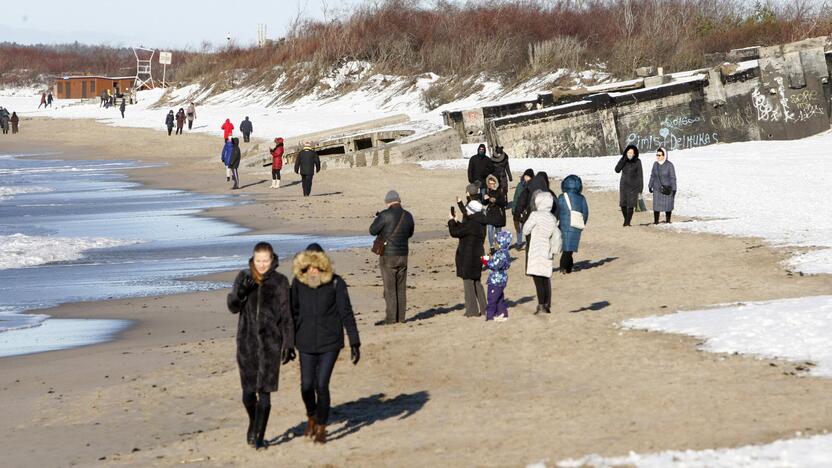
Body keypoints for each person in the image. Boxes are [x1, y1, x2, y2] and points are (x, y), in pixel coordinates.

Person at [227, 242, 295, 450]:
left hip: (270, 345)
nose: (262, 265)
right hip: (246, 344)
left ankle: (258, 436)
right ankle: (253, 422)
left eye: (266, 260)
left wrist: (289, 343)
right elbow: (232, 307)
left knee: (264, 393)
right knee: (248, 394)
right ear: (253, 260)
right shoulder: (243, 277)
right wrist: (241, 293)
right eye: (259, 261)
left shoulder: (281, 282)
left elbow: (286, 315)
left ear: (272, 259)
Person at [291, 243, 361, 444]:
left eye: (317, 264)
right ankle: (311, 415)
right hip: (305, 342)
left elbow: (345, 312)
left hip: (330, 342)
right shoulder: (298, 284)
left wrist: (354, 341)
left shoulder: (336, 283)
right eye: (309, 264)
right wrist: (288, 343)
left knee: (321, 384)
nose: (313, 269)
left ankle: (321, 426)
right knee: (306, 386)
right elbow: (291, 313)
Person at [369, 190, 415, 324]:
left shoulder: (384, 215)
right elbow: (410, 233)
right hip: (403, 254)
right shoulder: (408, 216)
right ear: (399, 201)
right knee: (401, 288)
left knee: (390, 289)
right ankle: (401, 318)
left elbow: (372, 231)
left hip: (388, 256)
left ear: (388, 202)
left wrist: (377, 218)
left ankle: (391, 319)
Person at [448, 200, 488, 317]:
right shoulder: (480, 222)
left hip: (468, 257)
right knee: (477, 282)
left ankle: (472, 311)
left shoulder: (472, 224)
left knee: (468, 282)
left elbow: (454, 232)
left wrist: (451, 221)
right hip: (478, 255)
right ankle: (485, 308)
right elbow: (464, 229)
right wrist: (456, 221)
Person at [523, 191, 560, 314]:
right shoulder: (552, 217)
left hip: (536, 249)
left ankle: (541, 305)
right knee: (545, 279)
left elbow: (525, 230)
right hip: (547, 249)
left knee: (538, 279)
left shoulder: (535, 215)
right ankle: (546, 305)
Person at [557, 175, 589, 274]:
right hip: (576, 224)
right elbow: (585, 212)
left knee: (567, 247)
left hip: (563, 224)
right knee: (570, 247)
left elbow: (557, 210)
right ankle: (568, 267)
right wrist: (583, 222)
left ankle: (563, 267)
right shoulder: (581, 198)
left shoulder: (562, 197)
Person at [484, 230, 512, 322]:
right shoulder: (504, 253)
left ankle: (490, 316)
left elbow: (494, 265)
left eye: (496, 242)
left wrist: (485, 260)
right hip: (501, 279)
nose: (495, 243)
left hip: (496, 280)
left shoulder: (501, 254)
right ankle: (502, 313)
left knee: (492, 299)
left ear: (501, 243)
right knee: (499, 298)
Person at [615, 145, 644, 227]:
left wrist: (640, 189)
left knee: (631, 205)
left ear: (634, 154)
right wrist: (623, 160)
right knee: (623, 204)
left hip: (633, 187)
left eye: (631, 153)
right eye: (628, 152)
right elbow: (617, 170)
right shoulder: (623, 160)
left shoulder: (638, 161)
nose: (629, 154)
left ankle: (627, 223)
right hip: (623, 185)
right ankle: (626, 220)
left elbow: (640, 176)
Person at [648, 146, 677, 224]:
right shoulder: (655, 164)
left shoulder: (669, 165)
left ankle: (668, 220)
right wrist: (650, 185)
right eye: (657, 155)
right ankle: (656, 221)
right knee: (656, 206)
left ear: (664, 156)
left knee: (668, 205)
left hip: (667, 189)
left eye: (659, 155)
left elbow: (673, 178)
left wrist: (674, 189)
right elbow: (652, 175)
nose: (658, 157)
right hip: (657, 188)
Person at [482, 174, 507, 253]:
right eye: (490, 183)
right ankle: (492, 246)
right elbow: (485, 203)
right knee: (489, 230)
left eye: (493, 183)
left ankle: (497, 247)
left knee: (498, 232)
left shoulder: (501, 191)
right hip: (490, 213)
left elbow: (504, 203)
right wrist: (485, 199)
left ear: (496, 183)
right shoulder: (488, 191)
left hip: (499, 214)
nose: (491, 185)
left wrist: (496, 200)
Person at [512, 169, 534, 250]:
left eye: (528, 176)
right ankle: (519, 242)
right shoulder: (520, 185)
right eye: (525, 176)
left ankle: (528, 243)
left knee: (528, 227)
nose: (526, 178)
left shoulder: (533, 186)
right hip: (519, 209)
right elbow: (516, 198)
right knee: (519, 227)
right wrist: (514, 208)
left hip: (528, 210)